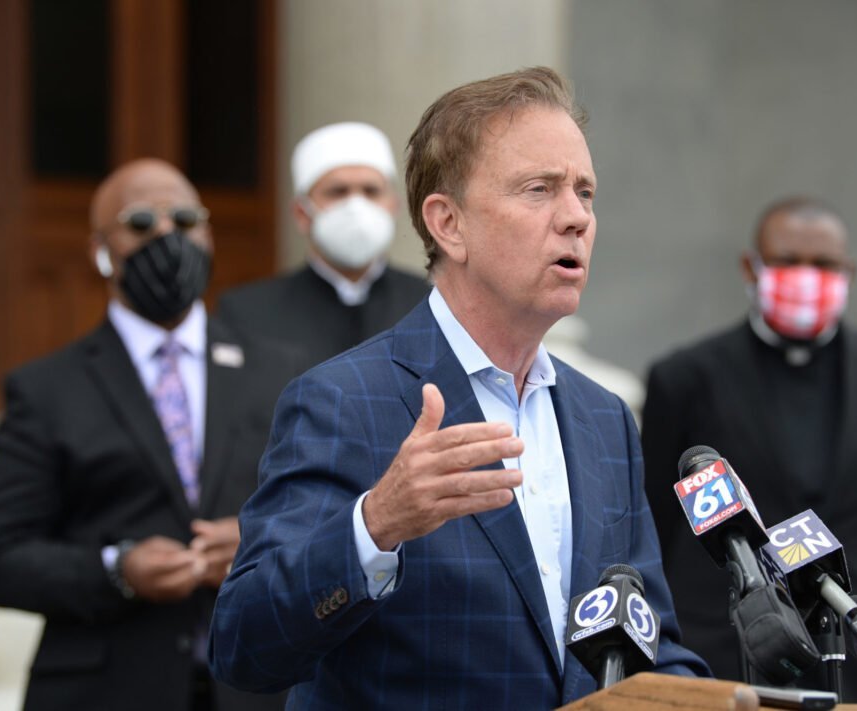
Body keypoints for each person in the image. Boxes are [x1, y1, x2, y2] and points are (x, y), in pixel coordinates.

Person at [208, 67, 710, 708]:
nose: (577, 218)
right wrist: (376, 525)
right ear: (448, 224)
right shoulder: (342, 400)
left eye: (585, 192)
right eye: (539, 189)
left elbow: (649, 643)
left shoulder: (604, 417)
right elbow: (243, 645)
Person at [0, 159, 302, 711]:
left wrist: (258, 541)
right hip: (106, 688)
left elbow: (328, 514)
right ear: (101, 249)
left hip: (258, 685)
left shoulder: (279, 371)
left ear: (208, 236)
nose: (167, 237)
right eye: (141, 222)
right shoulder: (47, 388)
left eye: (186, 220)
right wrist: (116, 569)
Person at [641, 197, 857, 700]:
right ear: (750, 267)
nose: (805, 276)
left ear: (848, 273)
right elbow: (659, 522)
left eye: (823, 264)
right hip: (726, 653)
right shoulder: (684, 379)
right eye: (787, 261)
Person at [215, 121, 429, 368]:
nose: (356, 206)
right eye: (338, 192)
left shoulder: (429, 304)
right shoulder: (249, 313)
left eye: (371, 191)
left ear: (394, 206)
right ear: (301, 213)